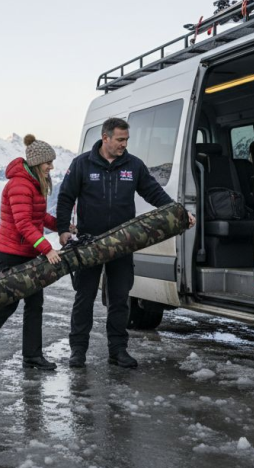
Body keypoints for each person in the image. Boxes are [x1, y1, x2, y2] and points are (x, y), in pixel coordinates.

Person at [57, 117, 195, 369]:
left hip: (122, 244)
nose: (124, 144)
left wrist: (179, 213)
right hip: (89, 244)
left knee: (120, 299)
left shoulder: (133, 165)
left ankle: (118, 350)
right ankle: (78, 351)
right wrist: (63, 230)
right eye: (120, 139)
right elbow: (66, 197)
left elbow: (154, 193)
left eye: (126, 140)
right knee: (84, 298)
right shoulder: (82, 164)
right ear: (105, 137)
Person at [0, 135, 60, 371]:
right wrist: (47, 249)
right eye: (48, 162)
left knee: (34, 303)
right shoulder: (19, 184)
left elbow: (39, 217)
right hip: (13, 252)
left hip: (28, 250)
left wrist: (63, 226)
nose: (51, 166)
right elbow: (23, 224)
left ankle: (32, 356)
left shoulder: (33, 182)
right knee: (8, 303)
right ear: (37, 162)